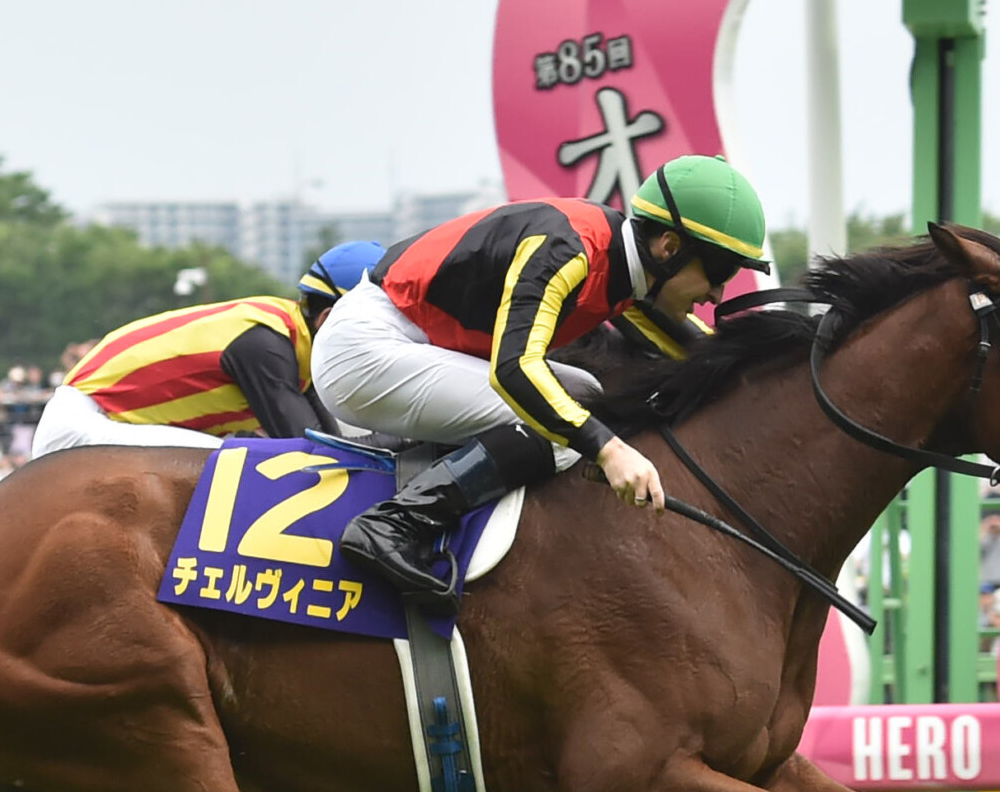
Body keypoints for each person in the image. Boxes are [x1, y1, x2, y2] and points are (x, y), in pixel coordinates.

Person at [316, 156, 770, 607]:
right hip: (365, 349)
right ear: (669, 247)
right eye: (719, 273)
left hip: (413, 341)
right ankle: (395, 525)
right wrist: (610, 451)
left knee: (584, 395)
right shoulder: (568, 248)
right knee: (563, 427)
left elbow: (701, 353)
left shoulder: (625, 268)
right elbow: (513, 370)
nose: (717, 295)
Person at [30, 241, 385, 458]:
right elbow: (312, 453)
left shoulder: (293, 346)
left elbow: (339, 449)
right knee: (233, 463)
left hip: (97, 422)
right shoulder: (266, 345)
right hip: (80, 427)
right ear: (327, 319)